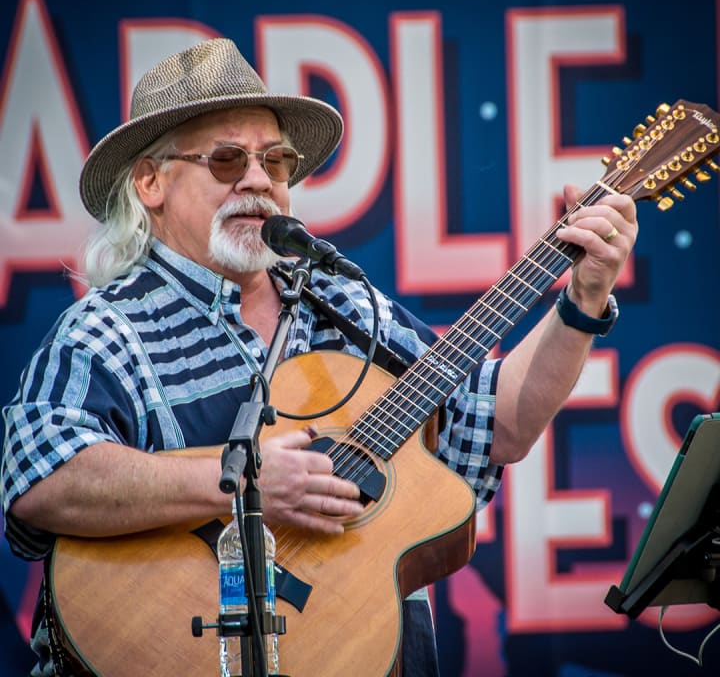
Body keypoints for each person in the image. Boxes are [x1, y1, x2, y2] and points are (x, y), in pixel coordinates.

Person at [1, 37, 637, 676]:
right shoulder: (105, 330)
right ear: (150, 182)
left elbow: (499, 423)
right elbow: (40, 481)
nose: (258, 179)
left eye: (275, 161)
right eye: (227, 159)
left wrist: (583, 301)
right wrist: (243, 484)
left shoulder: (341, 304)